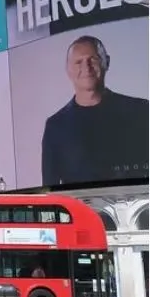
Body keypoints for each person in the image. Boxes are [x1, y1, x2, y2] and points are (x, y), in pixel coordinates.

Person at [41, 35, 149, 186]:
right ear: (68, 70)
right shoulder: (55, 126)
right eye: (79, 62)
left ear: (107, 62)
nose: (86, 67)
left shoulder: (141, 111)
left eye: (93, 59)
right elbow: (49, 189)